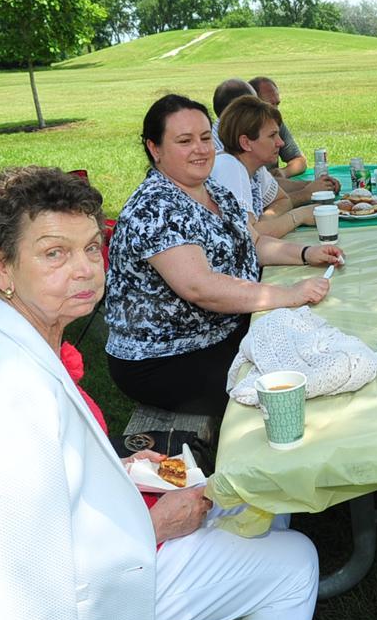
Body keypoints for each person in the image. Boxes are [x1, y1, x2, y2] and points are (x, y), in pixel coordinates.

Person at [0, 166, 320, 620]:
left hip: (90, 547)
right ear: (0, 265)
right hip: (82, 605)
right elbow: (26, 569)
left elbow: (39, 484)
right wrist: (155, 525)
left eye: (90, 248)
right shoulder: (12, 395)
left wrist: (118, 468)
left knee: (252, 504)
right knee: (295, 561)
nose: (85, 269)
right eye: (54, 253)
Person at [105, 94, 343, 419]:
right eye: (185, 141)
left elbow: (252, 243)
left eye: (205, 138)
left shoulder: (214, 191)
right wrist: (288, 294)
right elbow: (201, 288)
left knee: (317, 347)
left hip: (223, 332)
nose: (200, 149)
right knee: (285, 392)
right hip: (167, 358)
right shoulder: (155, 207)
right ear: (155, 148)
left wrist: (307, 253)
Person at [213, 78, 338, 211]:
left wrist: (310, 186)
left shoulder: (255, 158)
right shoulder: (227, 163)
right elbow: (253, 220)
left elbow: (276, 193)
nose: (280, 143)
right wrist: (305, 198)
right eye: (255, 105)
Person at [249, 76, 307, 177]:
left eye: (277, 104)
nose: (275, 110)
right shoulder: (240, 129)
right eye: (270, 105)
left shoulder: (275, 123)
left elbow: (300, 161)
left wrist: (284, 172)